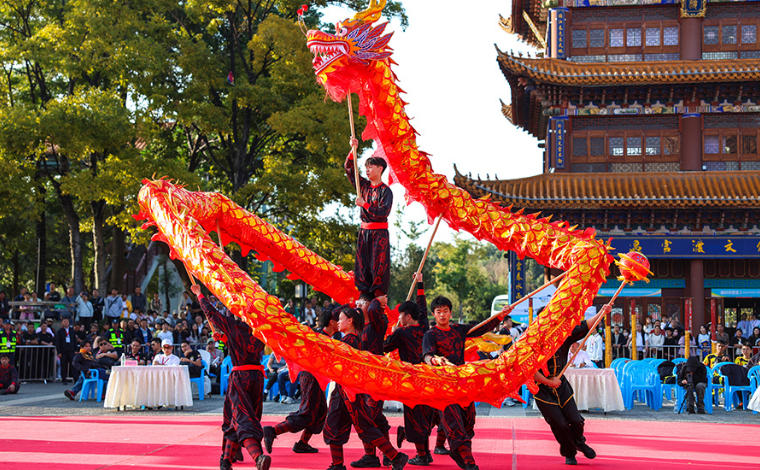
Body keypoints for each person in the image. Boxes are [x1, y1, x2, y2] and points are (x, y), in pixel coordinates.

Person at [422, 295, 511, 470]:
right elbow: (426, 355)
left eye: (445, 311)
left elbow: (483, 327)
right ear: (434, 314)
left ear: (450, 313)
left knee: (468, 420)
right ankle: (469, 461)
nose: (442, 315)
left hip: (462, 383)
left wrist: (501, 315)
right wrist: (434, 360)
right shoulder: (430, 335)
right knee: (453, 421)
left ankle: (458, 451)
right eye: (438, 312)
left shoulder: (459, 330)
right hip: (443, 385)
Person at [191, 284, 271, 470]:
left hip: (240, 378)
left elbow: (212, 314)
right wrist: (225, 339)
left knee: (241, 418)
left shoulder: (234, 326)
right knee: (242, 417)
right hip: (257, 378)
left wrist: (199, 294)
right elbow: (246, 346)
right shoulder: (260, 330)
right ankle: (226, 460)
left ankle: (257, 457)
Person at [533, 305, 609, 466]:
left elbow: (585, 326)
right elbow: (530, 371)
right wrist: (549, 382)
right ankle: (569, 453)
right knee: (559, 424)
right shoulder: (531, 342)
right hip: (542, 389)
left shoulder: (562, 335)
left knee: (576, 420)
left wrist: (602, 312)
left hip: (561, 386)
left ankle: (579, 442)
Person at [263, 311, 331, 455]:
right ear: (332, 322)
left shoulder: (322, 336)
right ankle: (273, 431)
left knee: (320, 412)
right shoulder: (320, 337)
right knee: (307, 413)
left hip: (314, 378)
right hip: (311, 377)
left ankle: (302, 443)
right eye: (339, 319)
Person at [383, 273, 433, 466]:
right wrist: (420, 283)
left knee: (414, 417)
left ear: (407, 316)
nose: (399, 318)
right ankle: (424, 453)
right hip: (427, 379)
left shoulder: (402, 333)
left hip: (412, 380)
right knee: (425, 415)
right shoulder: (425, 327)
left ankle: (421, 454)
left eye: (400, 315)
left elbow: (384, 347)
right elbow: (423, 309)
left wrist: (392, 333)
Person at [346, 137, 393, 298]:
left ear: (380, 169)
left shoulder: (386, 191)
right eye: (366, 168)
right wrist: (353, 150)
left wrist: (364, 204)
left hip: (379, 234)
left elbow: (383, 213)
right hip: (364, 232)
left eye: (370, 167)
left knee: (378, 266)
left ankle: (378, 299)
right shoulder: (364, 186)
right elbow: (349, 169)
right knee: (362, 266)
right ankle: (363, 298)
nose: (366, 170)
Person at [55, 318, 77, 384]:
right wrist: (59, 352)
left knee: (73, 364)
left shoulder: (71, 330)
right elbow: (57, 342)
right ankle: (64, 379)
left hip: (71, 349)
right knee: (63, 365)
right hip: (63, 350)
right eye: (64, 321)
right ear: (62, 323)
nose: (66, 323)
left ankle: (75, 378)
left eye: (67, 321)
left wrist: (76, 349)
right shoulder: (59, 331)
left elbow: (74, 340)